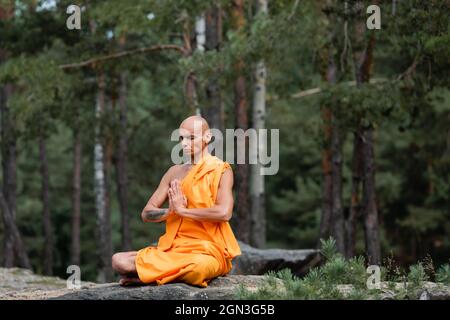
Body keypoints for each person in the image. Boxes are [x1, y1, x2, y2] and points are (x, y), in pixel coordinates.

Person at [111, 115, 241, 287]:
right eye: (181, 138)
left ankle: (149, 276)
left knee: (198, 268)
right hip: (174, 250)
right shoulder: (174, 172)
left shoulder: (221, 170)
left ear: (207, 137)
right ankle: (159, 275)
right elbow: (146, 213)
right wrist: (170, 211)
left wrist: (183, 211)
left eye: (192, 137)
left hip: (207, 251)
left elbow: (224, 213)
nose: (185, 143)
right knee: (119, 260)